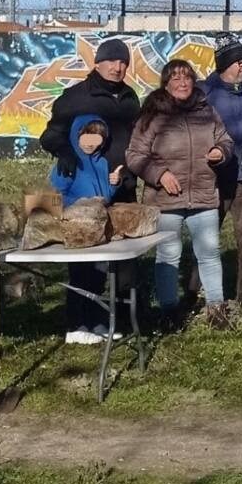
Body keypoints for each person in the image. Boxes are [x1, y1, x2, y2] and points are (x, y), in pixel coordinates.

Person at [40, 37, 140, 344]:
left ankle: (114, 318)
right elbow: (50, 135)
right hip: (82, 195)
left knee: (123, 261)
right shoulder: (75, 98)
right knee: (87, 261)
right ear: (97, 63)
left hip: (120, 190)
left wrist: (133, 169)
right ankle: (78, 321)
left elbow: (138, 139)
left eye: (123, 61)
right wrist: (66, 154)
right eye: (111, 60)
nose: (117, 66)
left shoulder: (129, 98)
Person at [126, 59, 235, 328]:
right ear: (166, 84)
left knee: (209, 253)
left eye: (187, 77)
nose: (182, 83)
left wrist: (221, 152)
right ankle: (169, 311)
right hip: (165, 200)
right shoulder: (152, 115)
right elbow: (135, 155)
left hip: (203, 196)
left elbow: (226, 140)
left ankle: (216, 310)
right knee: (167, 255)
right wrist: (159, 174)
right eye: (175, 78)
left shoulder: (207, 112)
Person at [194, 32, 242, 307]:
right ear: (224, 63)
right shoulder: (204, 93)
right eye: (239, 61)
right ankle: (196, 292)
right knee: (205, 239)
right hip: (213, 178)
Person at [49, 116, 121, 207]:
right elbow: (53, 199)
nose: (90, 144)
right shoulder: (68, 163)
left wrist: (114, 184)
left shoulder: (103, 163)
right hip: (75, 218)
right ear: (76, 137)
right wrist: (83, 204)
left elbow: (106, 199)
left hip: (99, 217)